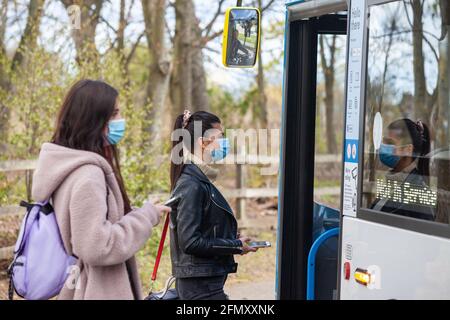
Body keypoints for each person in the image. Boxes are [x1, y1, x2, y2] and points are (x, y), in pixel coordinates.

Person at [31, 79, 171, 299]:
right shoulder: (88, 176)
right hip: (97, 289)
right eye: (114, 114)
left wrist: (141, 212)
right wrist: (145, 217)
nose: (120, 121)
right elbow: (97, 246)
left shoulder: (69, 166)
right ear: (93, 120)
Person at [169, 110, 257, 300]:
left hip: (206, 283)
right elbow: (191, 241)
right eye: (221, 136)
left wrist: (235, 241)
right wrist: (234, 245)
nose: (225, 143)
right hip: (201, 288)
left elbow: (203, 228)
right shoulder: (191, 184)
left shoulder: (199, 180)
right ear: (203, 142)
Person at [372, 118, 434, 220]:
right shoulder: (393, 183)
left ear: (408, 149)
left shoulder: (418, 195)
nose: (382, 147)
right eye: (383, 141)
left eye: (389, 142)